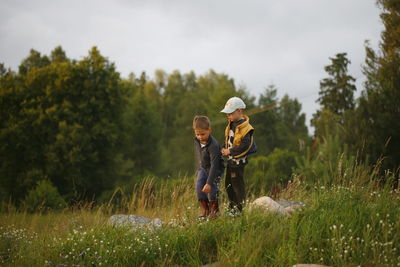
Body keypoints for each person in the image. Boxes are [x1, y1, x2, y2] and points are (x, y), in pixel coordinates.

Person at [220, 97, 256, 214]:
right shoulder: (231, 125)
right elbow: (228, 140)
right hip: (231, 161)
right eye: (227, 114)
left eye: (231, 113)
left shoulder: (246, 128)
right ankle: (232, 207)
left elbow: (245, 145)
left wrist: (230, 151)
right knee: (228, 185)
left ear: (239, 111)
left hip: (238, 162)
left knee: (237, 186)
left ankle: (239, 209)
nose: (228, 116)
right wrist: (223, 148)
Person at [193, 115, 225, 219]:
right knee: (199, 187)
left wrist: (209, 182)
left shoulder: (213, 145)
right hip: (203, 168)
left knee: (212, 189)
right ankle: (205, 210)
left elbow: (214, 165)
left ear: (209, 130)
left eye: (203, 134)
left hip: (215, 169)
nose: (200, 137)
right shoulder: (197, 141)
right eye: (197, 134)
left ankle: (214, 211)